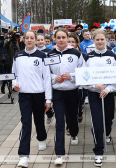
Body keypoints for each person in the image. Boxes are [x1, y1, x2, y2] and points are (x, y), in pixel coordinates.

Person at [14, 30, 52, 167]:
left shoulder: (42, 56)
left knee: (39, 119)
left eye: (32, 38)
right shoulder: (17, 56)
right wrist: (14, 85)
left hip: (39, 94)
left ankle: (41, 138)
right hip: (24, 95)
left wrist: (48, 99)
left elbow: (47, 78)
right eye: (27, 38)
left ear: (36, 40)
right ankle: (23, 156)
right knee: (26, 123)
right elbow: (14, 74)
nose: (29, 40)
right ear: (23, 39)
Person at [48, 28, 83, 164]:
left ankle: (74, 133)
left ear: (67, 38)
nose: (61, 40)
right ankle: (60, 154)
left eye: (64, 37)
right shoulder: (50, 54)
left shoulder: (75, 53)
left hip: (72, 91)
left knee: (72, 118)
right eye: (59, 37)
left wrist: (71, 76)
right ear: (54, 39)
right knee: (60, 122)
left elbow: (82, 71)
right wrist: (54, 78)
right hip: (57, 93)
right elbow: (47, 74)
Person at [83, 29, 116, 166]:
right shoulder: (88, 57)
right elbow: (84, 78)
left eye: (102, 39)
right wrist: (94, 85)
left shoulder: (112, 56)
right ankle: (98, 151)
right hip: (94, 94)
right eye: (97, 39)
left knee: (108, 120)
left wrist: (108, 89)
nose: (100, 42)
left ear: (106, 40)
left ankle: (107, 133)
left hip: (108, 94)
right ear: (93, 40)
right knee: (97, 123)